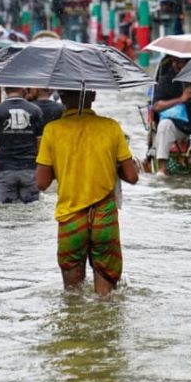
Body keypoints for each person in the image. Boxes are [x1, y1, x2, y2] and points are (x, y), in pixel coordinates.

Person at [36, 89, 139, 294]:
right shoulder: (111, 127)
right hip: (104, 218)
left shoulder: (52, 130)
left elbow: (41, 182)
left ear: (62, 97)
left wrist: (62, 164)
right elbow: (132, 176)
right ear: (92, 96)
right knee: (106, 299)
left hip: (70, 220)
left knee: (73, 297)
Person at [0, 87, 44, 203]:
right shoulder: (35, 110)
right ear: (23, 89)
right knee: (31, 212)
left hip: (5, 169)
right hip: (30, 169)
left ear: (4, 90)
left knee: (6, 214)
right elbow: (40, 143)